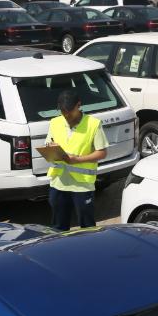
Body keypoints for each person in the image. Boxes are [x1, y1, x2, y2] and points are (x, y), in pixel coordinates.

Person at [45, 89, 108, 230]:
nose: (66, 115)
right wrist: (50, 147)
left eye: (69, 111)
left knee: (87, 229)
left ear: (78, 105)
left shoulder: (93, 124)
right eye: (63, 112)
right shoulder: (55, 122)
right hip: (58, 182)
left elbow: (102, 153)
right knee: (58, 229)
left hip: (82, 185)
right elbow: (48, 143)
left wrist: (77, 160)